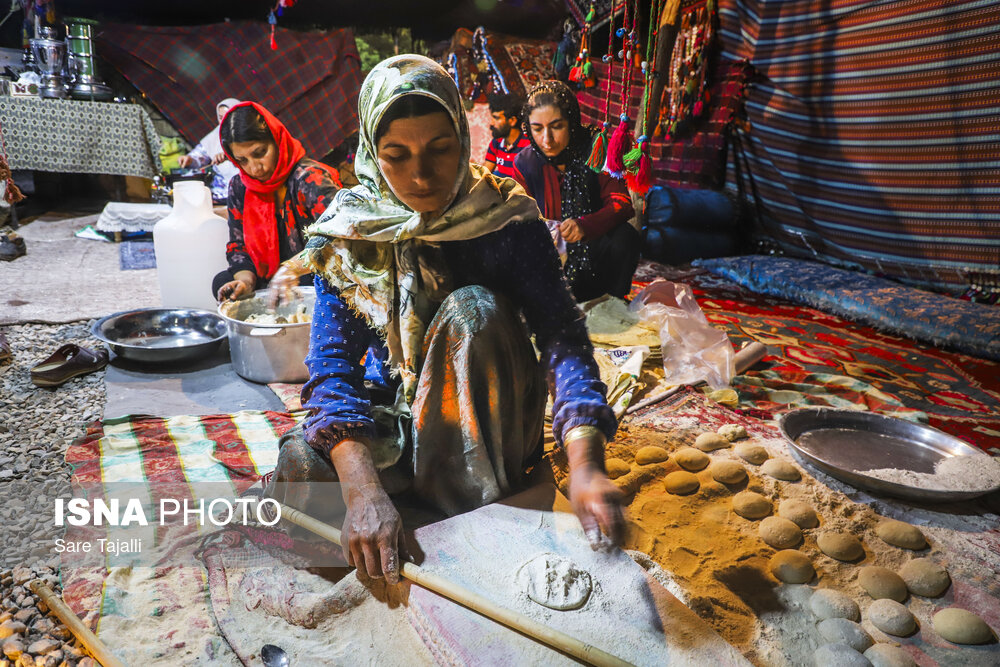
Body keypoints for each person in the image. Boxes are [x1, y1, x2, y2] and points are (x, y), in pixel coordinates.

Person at [264, 55, 625, 585]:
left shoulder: (504, 218)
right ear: (370, 150)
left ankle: (472, 514)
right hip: (402, 415)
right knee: (303, 464)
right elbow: (332, 369)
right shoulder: (353, 231)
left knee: (472, 309)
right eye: (396, 155)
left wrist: (586, 463)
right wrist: (362, 490)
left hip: (486, 415)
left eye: (440, 149)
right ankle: (421, 513)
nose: (420, 175)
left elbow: (562, 338)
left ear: (463, 136)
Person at [512, 81, 641, 302]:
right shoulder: (525, 163)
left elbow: (621, 203)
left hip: (594, 250)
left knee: (625, 237)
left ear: (571, 122)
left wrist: (585, 225)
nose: (547, 139)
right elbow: (519, 213)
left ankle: (612, 301)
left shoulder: (597, 148)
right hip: (549, 257)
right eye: (537, 128)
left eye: (557, 126)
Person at [213, 102, 342, 303]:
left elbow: (341, 237)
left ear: (276, 140)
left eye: (259, 153)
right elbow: (238, 245)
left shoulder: (309, 179)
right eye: (242, 161)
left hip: (311, 275)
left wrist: (292, 269)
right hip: (272, 279)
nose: (254, 168)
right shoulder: (240, 186)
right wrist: (245, 281)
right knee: (222, 282)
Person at [177, 98, 243, 202]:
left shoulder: (248, 134)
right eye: (221, 118)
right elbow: (201, 155)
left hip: (244, 192)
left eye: (228, 117)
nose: (223, 121)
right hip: (219, 194)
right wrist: (189, 159)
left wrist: (229, 156)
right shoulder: (215, 136)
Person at [481, 91, 530, 179]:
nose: (491, 123)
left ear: (512, 121)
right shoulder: (496, 143)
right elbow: (484, 175)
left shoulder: (528, 147)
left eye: (496, 118)